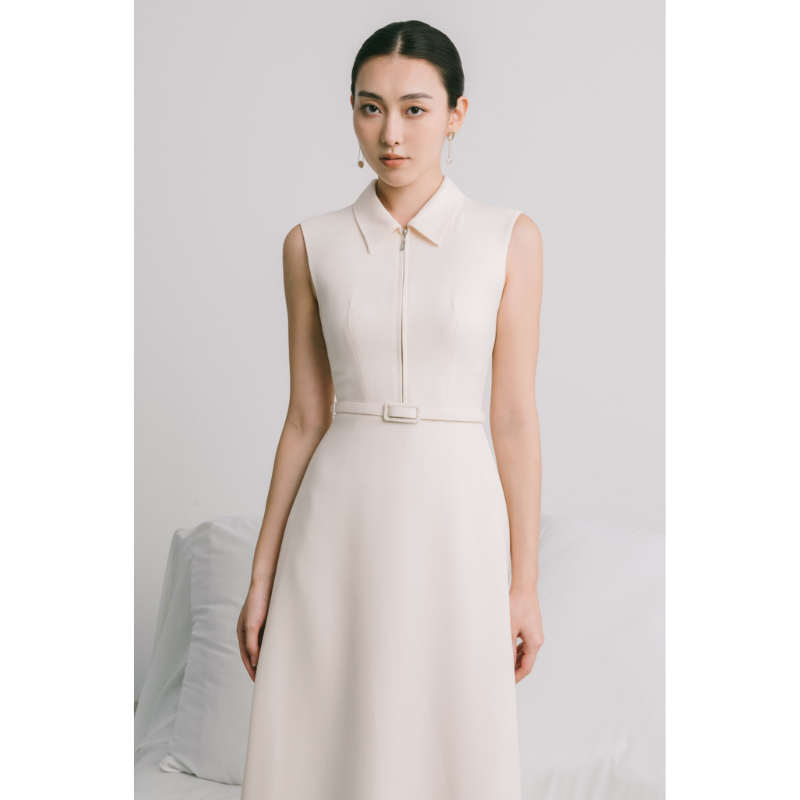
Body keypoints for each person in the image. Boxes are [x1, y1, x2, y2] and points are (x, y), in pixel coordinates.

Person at [236, 19, 544, 799]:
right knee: (328, 734)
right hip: (338, 517)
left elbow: (513, 418)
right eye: (371, 108)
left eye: (415, 109)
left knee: (448, 734)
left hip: (456, 517)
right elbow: (305, 417)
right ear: (351, 112)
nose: (392, 134)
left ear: (457, 114)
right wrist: (262, 575)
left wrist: (524, 583)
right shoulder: (310, 244)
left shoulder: (508, 238)